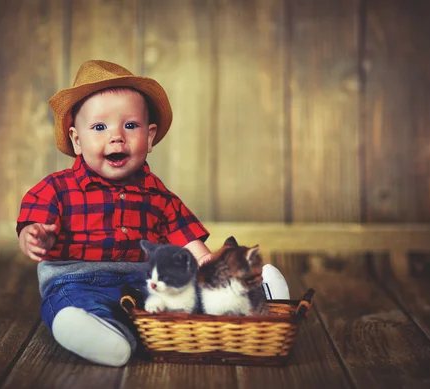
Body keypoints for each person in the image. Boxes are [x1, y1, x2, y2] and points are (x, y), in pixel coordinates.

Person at [16, 59, 290, 367]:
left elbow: (183, 235)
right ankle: (101, 335)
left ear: (149, 137)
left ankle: (255, 295)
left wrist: (205, 264)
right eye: (99, 127)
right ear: (77, 140)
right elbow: (33, 224)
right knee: (70, 305)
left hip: (146, 281)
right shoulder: (58, 188)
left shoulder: (156, 193)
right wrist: (35, 236)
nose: (116, 136)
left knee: (187, 300)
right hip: (77, 279)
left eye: (130, 125)